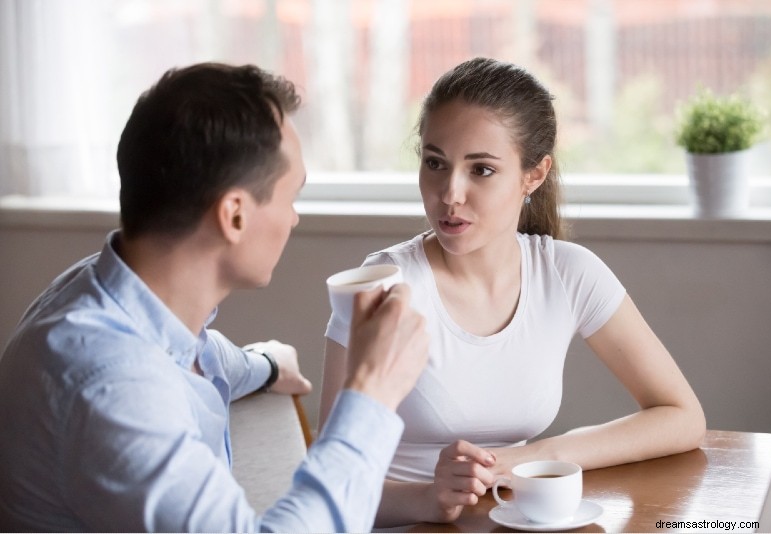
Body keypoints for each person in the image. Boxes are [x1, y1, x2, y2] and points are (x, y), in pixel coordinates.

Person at [0, 62, 429, 532]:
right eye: (291, 197)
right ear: (235, 216)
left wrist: (265, 364)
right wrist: (371, 391)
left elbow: (195, 352)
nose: (293, 220)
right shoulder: (111, 385)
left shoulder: (111, 289)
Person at [319, 57, 706, 526]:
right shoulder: (383, 285)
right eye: (434, 163)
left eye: (480, 170)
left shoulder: (567, 272)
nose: (449, 194)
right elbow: (332, 480)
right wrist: (428, 497)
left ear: (534, 175)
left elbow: (682, 416)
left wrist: (532, 458)